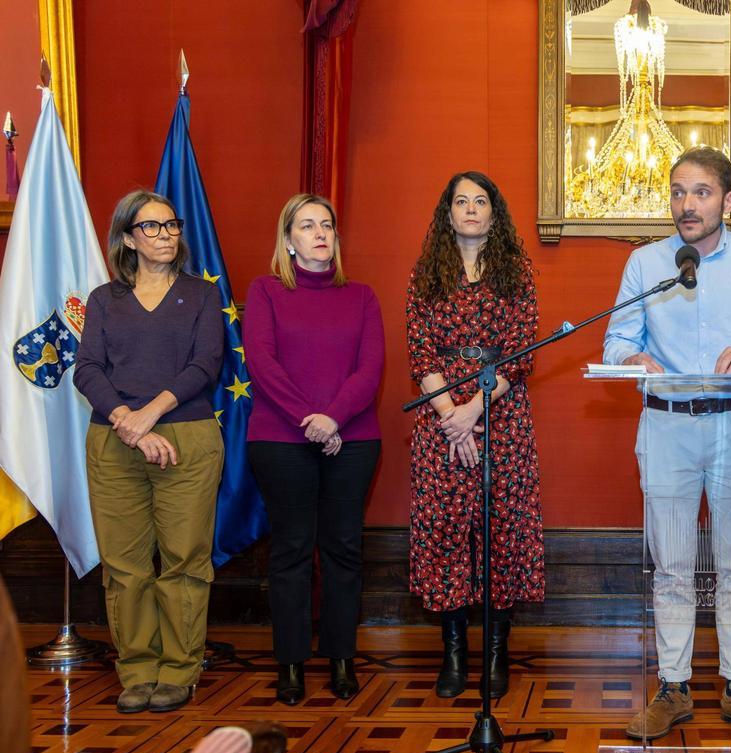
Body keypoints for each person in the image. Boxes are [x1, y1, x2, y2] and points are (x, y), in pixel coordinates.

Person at [603, 147, 731, 745]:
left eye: (701, 192)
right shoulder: (645, 263)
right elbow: (616, 340)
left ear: (729, 200)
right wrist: (630, 356)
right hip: (666, 426)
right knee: (671, 565)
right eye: (677, 192)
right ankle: (673, 687)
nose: (686, 205)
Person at [75, 190, 224, 713]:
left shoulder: (203, 296)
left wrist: (149, 414)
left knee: (184, 561)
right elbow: (87, 369)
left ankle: (180, 671)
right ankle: (136, 669)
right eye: (152, 227)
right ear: (127, 238)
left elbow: (205, 365)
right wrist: (128, 423)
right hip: (115, 443)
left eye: (171, 225)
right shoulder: (103, 300)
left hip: (187, 438)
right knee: (125, 565)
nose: (166, 235)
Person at [406, 171, 544, 700]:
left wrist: (475, 409)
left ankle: (495, 654)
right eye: (460, 201)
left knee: (500, 532)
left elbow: (522, 349)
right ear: (448, 213)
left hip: (502, 415)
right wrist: (453, 415)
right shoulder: (426, 274)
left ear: (494, 213)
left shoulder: (517, 270)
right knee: (445, 533)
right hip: (440, 418)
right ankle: (454, 655)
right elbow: (420, 353)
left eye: (479, 201)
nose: (469, 209)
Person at [244, 193, 383, 705]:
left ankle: (342, 660)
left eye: (327, 225)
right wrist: (314, 422)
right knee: (291, 552)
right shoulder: (265, 291)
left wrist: (334, 418)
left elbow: (369, 371)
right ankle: (292, 665)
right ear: (289, 240)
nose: (321, 233)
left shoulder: (362, 296)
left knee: (344, 550)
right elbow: (262, 362)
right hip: (281, 439)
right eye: (307, 225)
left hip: (353, 439)